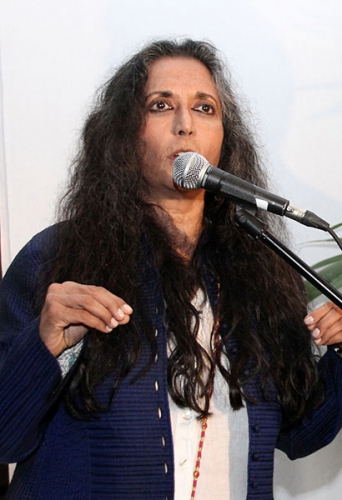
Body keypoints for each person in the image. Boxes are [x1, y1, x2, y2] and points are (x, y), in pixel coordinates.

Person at [0, 39, 342, 500]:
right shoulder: (57, 257)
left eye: (205, 108)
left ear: (224, 138)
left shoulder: (262, 271)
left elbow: (301, 434)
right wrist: (44, 345)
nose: (186, 125)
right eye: (161, 106)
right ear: (124, 133)